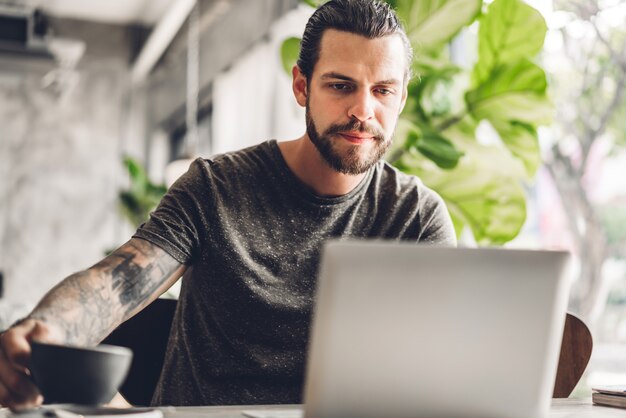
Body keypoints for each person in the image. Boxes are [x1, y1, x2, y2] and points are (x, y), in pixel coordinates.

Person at [0, 0, 456, 409]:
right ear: (302, 86)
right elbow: (117, 282)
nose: (363, 110)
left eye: (383, 90)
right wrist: (47, 328)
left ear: (401, 97)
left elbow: (443, 364)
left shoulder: (416, 218)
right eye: (340, 86)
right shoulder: (215, 187)